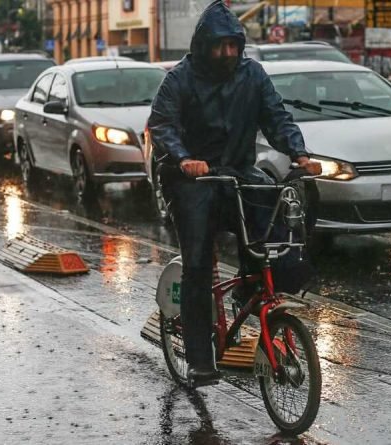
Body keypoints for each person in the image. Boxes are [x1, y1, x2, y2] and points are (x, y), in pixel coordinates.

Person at [148, 0, 321, 387]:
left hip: (238, 172)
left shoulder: (253, 75)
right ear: (203, 45)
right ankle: (198, 358)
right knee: (197, 263)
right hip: (191, 179)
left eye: (233, 46)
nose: (227, 53)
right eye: (219, 46)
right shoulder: (180, 79)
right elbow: (162, 126)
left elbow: (277, 117)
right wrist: (183, 158)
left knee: (275, 218)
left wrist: (300, 153)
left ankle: (252, 289)